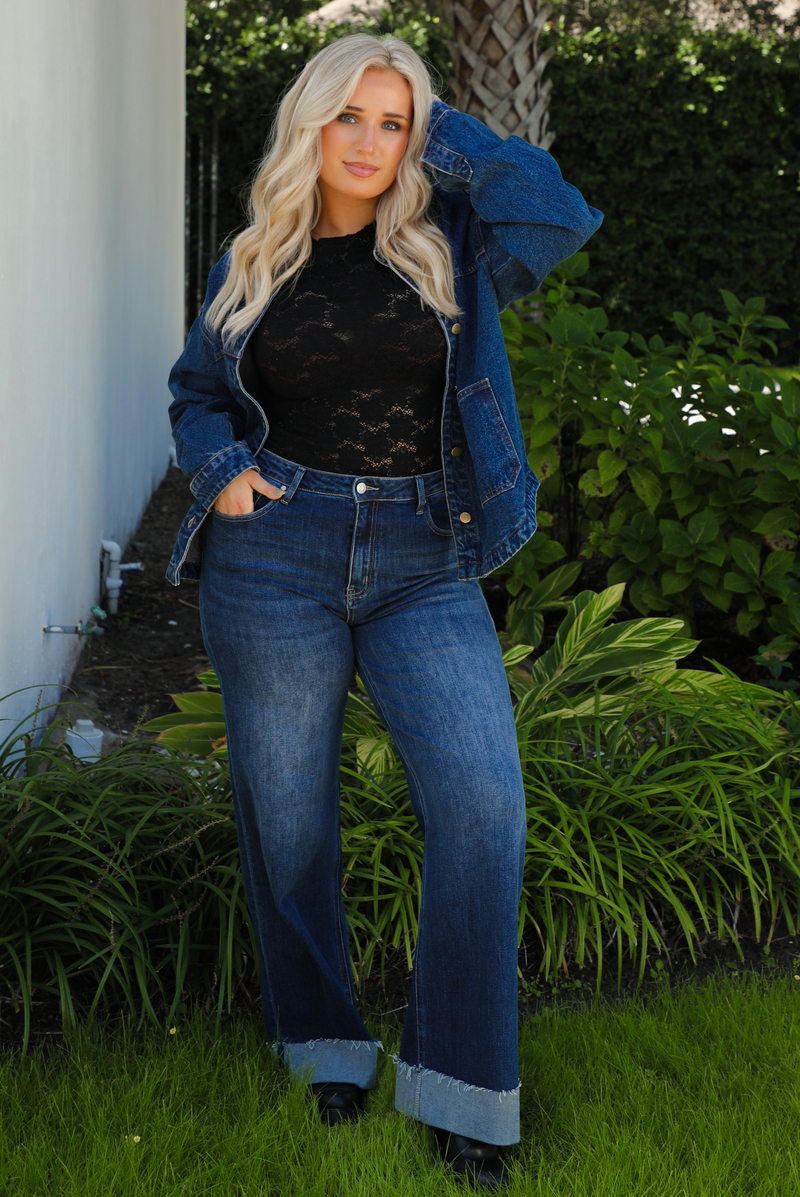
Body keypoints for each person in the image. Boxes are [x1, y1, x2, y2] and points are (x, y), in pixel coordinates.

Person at [167, 33, 602, 1189]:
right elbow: (198, 395)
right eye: (346, 117)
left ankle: (461, 1089)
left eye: (391, 122)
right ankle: (325, 1051)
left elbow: (557, 216)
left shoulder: (448, 242)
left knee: (480, 809)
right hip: (278, 554)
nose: (367, 143)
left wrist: (441, 114)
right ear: (309, 124)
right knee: (291, 821)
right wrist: (225, 478)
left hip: (425, 556)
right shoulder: (255, 252)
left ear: (418, 136)